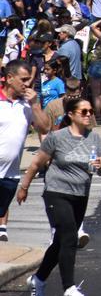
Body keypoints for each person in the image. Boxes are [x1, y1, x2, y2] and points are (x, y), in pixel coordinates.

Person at [20, 97, 101, 296]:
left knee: (61, 241)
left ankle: (38, 279)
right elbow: (36, 164)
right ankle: (69, 287)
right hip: (56, 192)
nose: (89, 115)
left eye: (90, 111)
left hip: (80, 194)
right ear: (71, 115)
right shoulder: (57, 137)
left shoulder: (93, 138)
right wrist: (23, 187)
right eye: (84, 111)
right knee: (69, 237)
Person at [0, 61, 51, 245]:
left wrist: (36, 104)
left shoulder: (27, 105)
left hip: (10, 175)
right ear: (9, 78)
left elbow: (45, 128)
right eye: (23, 80)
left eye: (29, 80)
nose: (27, 84)